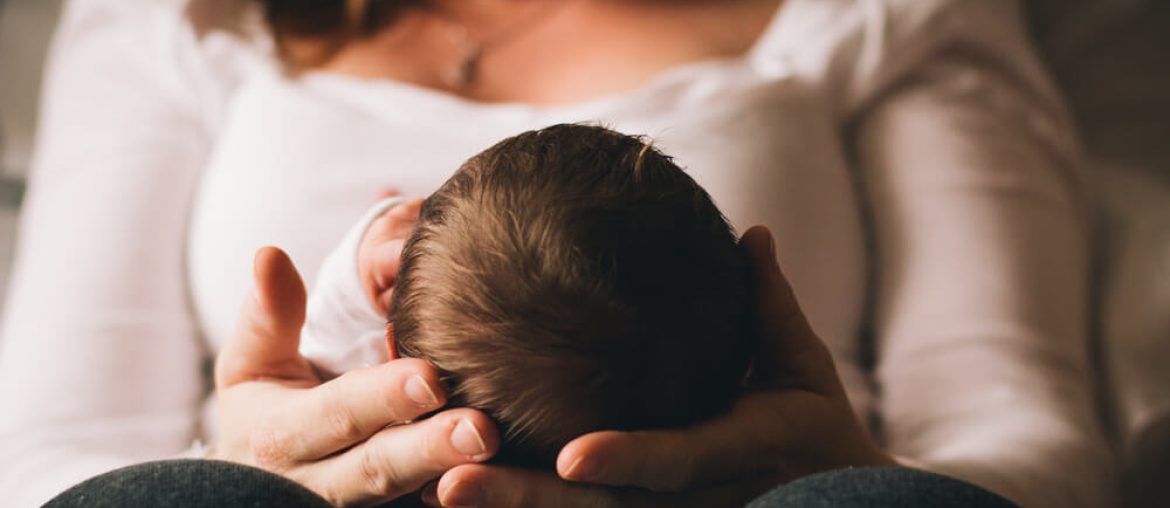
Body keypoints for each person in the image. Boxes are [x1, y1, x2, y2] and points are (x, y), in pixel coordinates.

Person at [0, 0, 1113, 506]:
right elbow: (42, 459)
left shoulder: (886, 16)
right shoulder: (175, 24)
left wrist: (831, 470)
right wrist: (250, 469)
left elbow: (1037, 442)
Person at [300, 124, 755, 470]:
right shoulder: (732, 458)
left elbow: (323, 352)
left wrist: (360, 257)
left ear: (395, 360)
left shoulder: (368, 452)